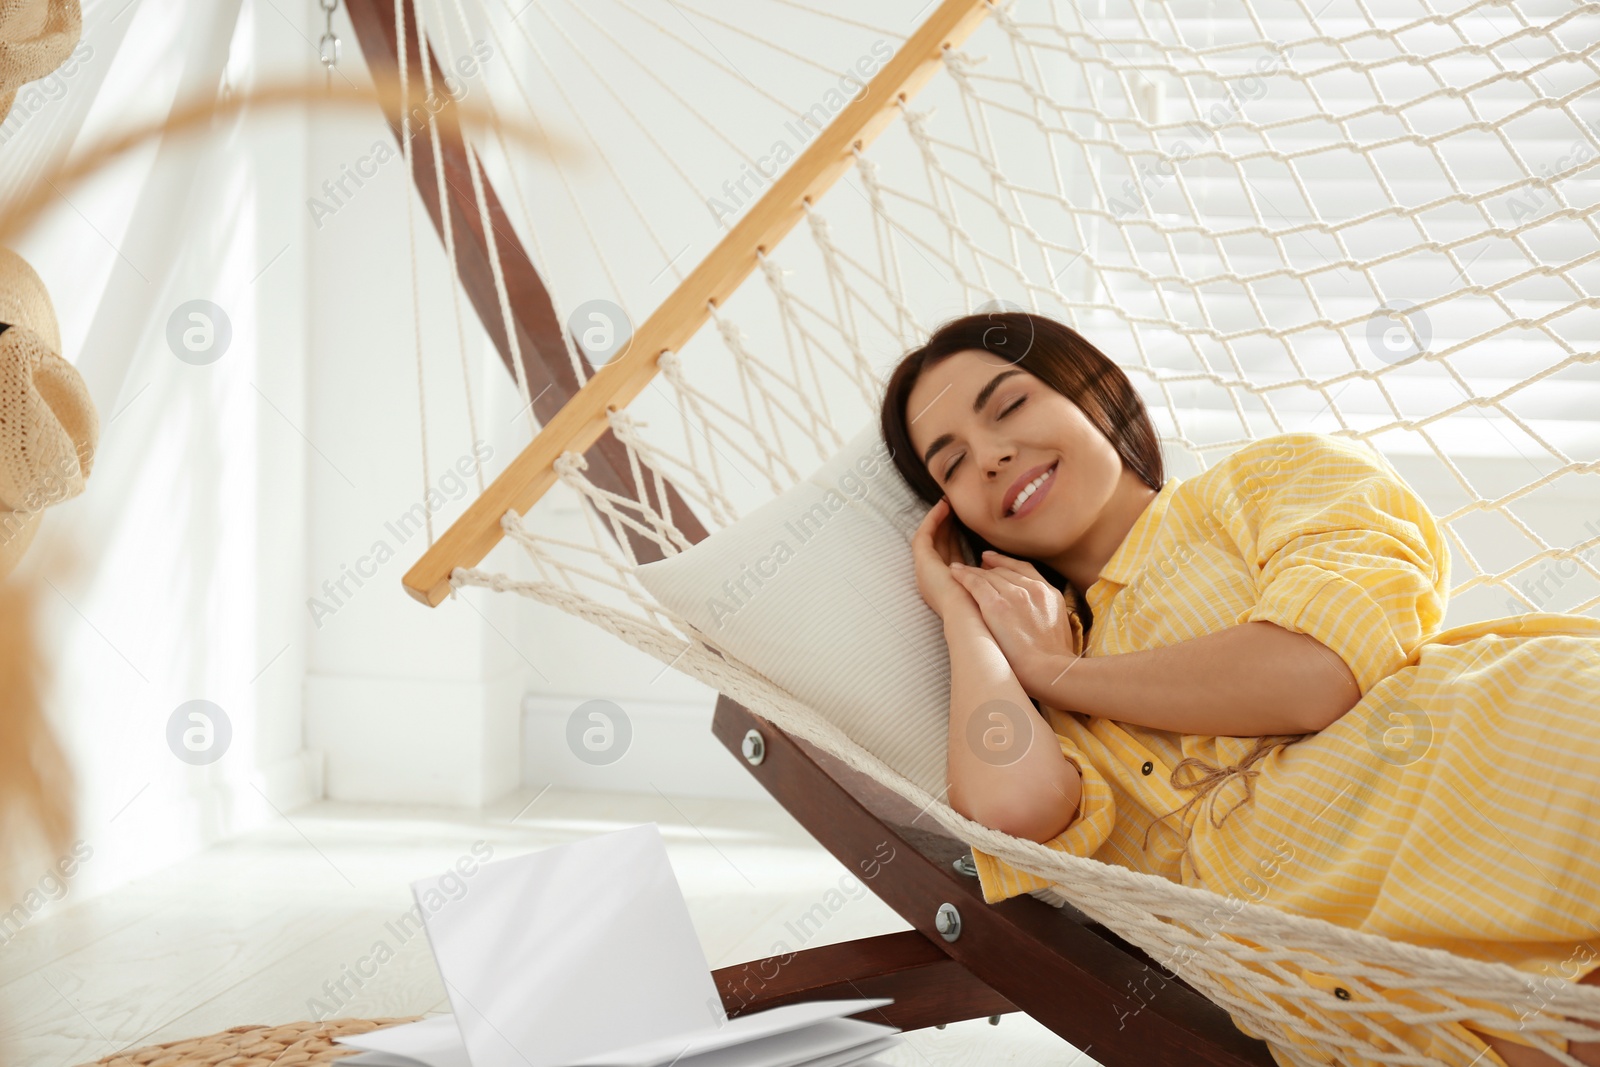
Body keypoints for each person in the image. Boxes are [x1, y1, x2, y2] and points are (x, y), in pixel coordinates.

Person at [878, 310, 1600, 1067]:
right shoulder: (1039, 703)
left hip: (1520, 772)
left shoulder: (1271, 481)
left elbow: (1314, 672)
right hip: (1390, 985)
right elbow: (1010, 807)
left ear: (1095, 394)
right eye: (951, 463)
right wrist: (962, 612)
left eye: (1010, 406)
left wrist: (1062, 673)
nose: (990, 455)